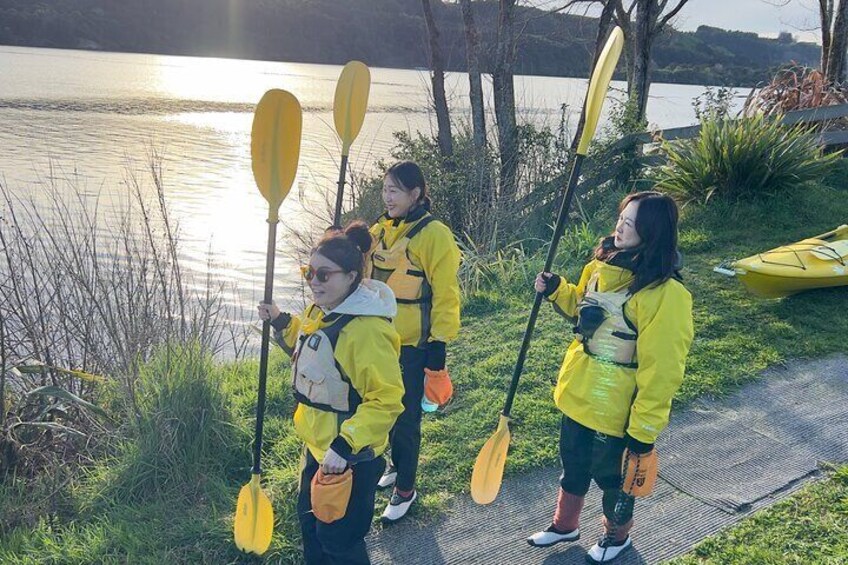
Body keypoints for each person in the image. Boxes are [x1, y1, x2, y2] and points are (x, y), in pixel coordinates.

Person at [525, 191, 694, 564]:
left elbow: (663, 369)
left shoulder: (666, 295)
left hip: (617, 407)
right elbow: (582, 309)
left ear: (651, 233)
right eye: (621, 218)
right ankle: (564, 525)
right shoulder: (599, 266)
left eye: (631, 223)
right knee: (573, 461)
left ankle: (615, 537)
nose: (620, 227)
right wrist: (557, 291)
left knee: (613, 476)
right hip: (578, 390)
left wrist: (644, 430)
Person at [257, 222, 405, 565]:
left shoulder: (366, 330)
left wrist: (345, 443)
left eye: (324, 275)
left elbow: (386, 400)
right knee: (312, 533)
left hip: (349, 458)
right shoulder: (319, 311)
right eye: (309, 272)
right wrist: (281, 322)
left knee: (340, 545)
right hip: (318, 450)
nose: (313, 282)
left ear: (352, 276)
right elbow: (314, 355)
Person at [367, 161, 461, 522]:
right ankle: (394, 464)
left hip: (413, 345)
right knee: (383, 408)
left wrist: (438, 349)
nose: (386, 197)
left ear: (415, 194)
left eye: (394, 190)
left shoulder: (434, 234)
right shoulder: (381, 229)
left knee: (406, 419)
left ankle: (406, 487)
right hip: (379, 340)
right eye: (384, 189)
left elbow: (446, 294)